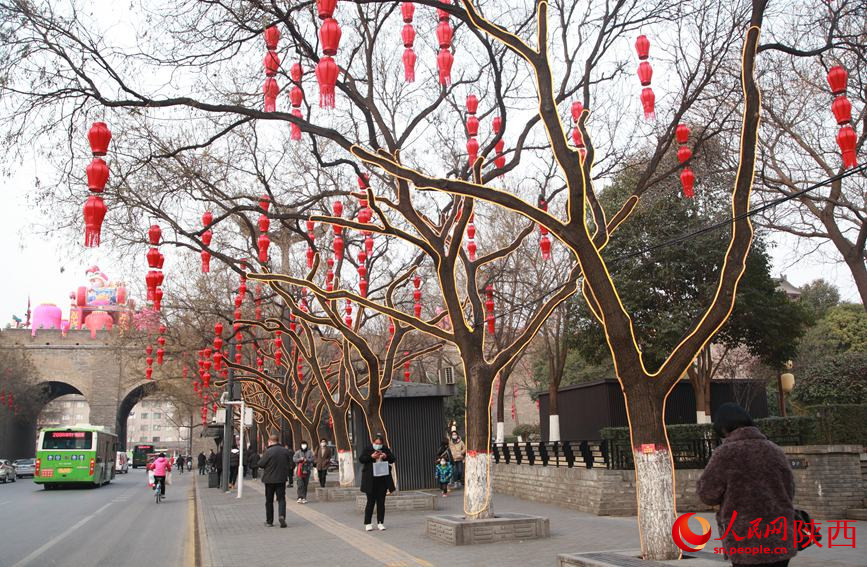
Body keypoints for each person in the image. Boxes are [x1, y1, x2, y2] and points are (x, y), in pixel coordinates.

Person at [697, 403, 796, 567]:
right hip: (780, 536)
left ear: (722, 427)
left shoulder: (725, 453)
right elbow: (790, 490)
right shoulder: (775, 450)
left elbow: (707, 494)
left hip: (745, 540)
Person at [359, 433, 396, 531]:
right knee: (370, 502)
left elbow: (393, 459)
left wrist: (385, 456)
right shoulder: (368, 449)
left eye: (380, 443)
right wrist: (371, 457)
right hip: (370, 480)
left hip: (382, 479)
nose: (378, 445)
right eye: (376, 443)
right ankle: (368, 523)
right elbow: (361, 459)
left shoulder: (385, 449)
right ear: (373, 442)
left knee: (381, 503)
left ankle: (380, 522)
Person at [256, 434, 293, 528]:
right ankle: (281, 516)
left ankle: (269, 521)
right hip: (281, 479)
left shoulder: (268, 451)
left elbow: (260, 464)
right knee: (281, 499)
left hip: (269, 480)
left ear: (270, 441)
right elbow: (291, 464)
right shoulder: (285, 451)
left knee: (269, 501)